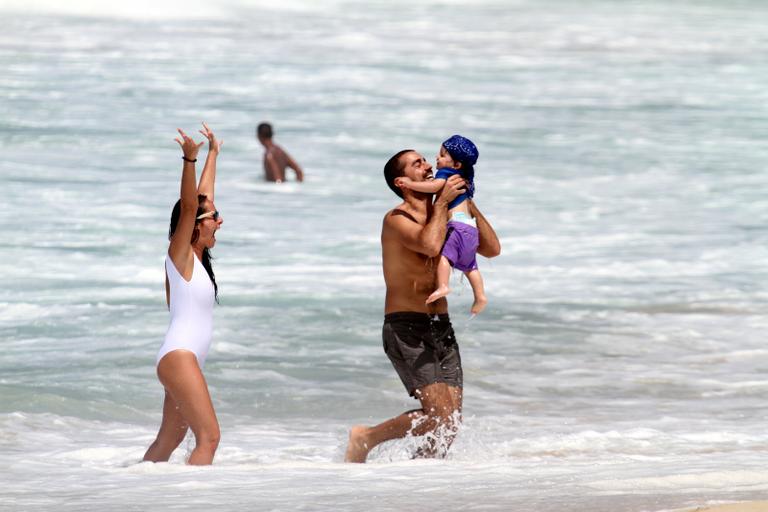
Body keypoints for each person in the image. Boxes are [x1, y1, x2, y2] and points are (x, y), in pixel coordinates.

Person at [344, 149, 501, 463]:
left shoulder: (446, 216)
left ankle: (421, 481)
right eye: (418, 164)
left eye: (426, 160)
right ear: (402, 182)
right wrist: (443, 202)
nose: (429, 165)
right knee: (439, 414)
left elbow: (492, 249)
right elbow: (429, 245)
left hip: (440, 324)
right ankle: (365, 438)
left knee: (449, 423)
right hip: (407, 325)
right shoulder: (396, 218)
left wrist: (467, 202)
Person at [143, 123, 224, 465]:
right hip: (179, 356)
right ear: (193, 226)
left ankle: (135, 486)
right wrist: (188, 160)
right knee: (209, 437)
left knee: (170, 438)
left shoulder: (198, 257)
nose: (219, 221)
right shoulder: (180, 256)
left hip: (182, 357)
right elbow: (191, 207)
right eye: (215, 218)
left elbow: (202, 200)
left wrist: (213, 154)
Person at [397, 135, 487, 315]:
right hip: (470, 227)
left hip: (458, 226)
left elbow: (434, 187)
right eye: (418, 163)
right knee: (471, 267)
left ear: (457, 165)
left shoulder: (446, 174)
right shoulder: (463, 181)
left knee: (444, 257)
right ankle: (480, 295)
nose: (435, 160)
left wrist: (411, 184)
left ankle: (444, 286)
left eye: (442, 155)